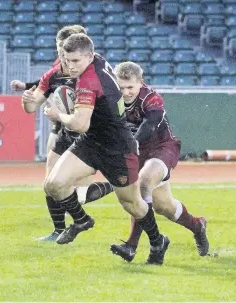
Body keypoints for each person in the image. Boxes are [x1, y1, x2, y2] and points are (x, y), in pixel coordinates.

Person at [41, 33, 169, 265]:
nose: (70, 66)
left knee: (132, 203)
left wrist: (58, 114)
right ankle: (81, 220)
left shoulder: (89, 81)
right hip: (92, 142)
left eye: (76, 61)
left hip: (118, 148)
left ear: (89, 56)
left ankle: (158, 241)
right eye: (67, 60)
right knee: (53, 184)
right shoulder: (97, 61)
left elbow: (80, 124)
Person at [108, 61, 209, 262]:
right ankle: (197, 225)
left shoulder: (151, 97)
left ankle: (133, 245)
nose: (126, 92)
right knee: (165, 207)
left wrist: (131, 144)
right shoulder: (111, 100)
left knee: (143, 183)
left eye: (130, 87)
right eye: (121, 87)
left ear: (141, 83)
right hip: (136, 151)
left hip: (162, 148)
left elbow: (149, 124)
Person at [21, 27, 113, 242]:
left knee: (78, 188)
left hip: (94, 133)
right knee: (50, 182)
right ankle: (58, 230)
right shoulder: (53, 74)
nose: (65, 60)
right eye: (61, 53)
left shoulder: (95, 70)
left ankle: (110, 187)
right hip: (66, 130)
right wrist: (27, 100)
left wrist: (59, 114)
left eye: (68, 55)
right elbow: (32, 105)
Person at [11, 25, 87, 153]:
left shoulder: (91, 70)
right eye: (60, 46)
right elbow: (48, 81)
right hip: (61, 124)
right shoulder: (56, 68)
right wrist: (26, 92)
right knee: (52, 168)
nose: (62, 50)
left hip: (85, 127)